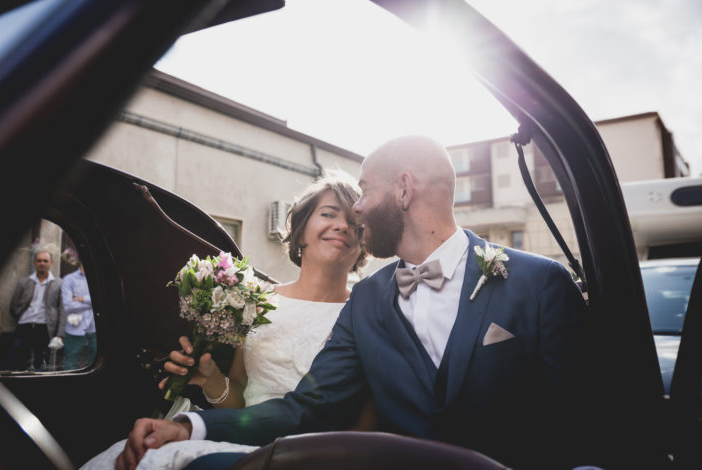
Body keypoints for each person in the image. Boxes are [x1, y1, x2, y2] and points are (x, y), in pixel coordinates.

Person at [117, 135, 592, 470]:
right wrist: (190, 426)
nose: (357, 209)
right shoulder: (367, 302)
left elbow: (582, 425)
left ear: (404, 189)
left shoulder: (538, 283)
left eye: (364, 191)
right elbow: (308, 410)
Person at [81, 170, 367, 469]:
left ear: (363, 243)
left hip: (308, 455)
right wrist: (211, 379)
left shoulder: (363, 313)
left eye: (354, 223)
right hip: (237, 439)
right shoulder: (256, 301)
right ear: (301, 227)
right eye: (329, 214)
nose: (342, 226)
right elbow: (242, 402)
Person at [10, 249, 65, 371]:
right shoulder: (24, 282)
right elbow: (14, 306)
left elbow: (63, 310)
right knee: (20, 361)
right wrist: (20, 316)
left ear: (51, 263)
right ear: (34, 262)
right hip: (25, 325)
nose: (42, 263)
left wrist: (60, 334)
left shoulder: (59, 283)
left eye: (45, 261)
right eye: (39, 260)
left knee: (41, 363)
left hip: (45, 326)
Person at [61, 261, 97, 370]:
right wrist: (92, 304)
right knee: (70, 365)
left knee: (96, 365)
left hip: (96, 329)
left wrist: (81, 298)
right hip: (75, 329)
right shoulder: (69, 279)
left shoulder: (99, 280)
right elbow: (68, 306)